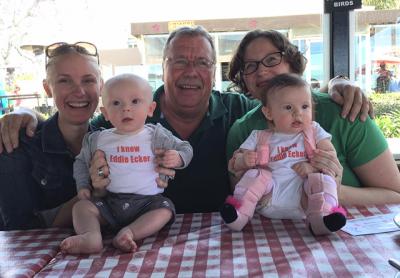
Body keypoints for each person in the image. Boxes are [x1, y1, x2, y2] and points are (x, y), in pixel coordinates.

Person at [0, 26, 374, 215]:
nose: (190, 72)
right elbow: (86, 132)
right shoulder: (127, 114)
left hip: (224, 238)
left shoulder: (238, 114)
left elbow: (284, 99)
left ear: (214, 72)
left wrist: (338, 82)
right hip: (143, 240)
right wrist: (25, 112)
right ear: (162, 68)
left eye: (202, 62)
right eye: (180, 60)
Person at [0, 43, 171, 231]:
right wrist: (94, 195)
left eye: (88, 80)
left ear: (100, 87)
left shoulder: (117, 132)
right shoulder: (17, 144)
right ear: (47, 88)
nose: (79, 91)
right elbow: (18, 228)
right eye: (65, 81)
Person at [226, 30, 400, 206]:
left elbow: (395, 194)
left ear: (292, 65)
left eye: (271, 60)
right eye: (250, 66)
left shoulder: (344, 112)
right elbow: (242, 203)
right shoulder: (243, 131)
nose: (261, 71)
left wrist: (333, 192)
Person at [60, 74, 193, 254]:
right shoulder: (98, 139)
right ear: (105, 112)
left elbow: (186, 148)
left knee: (165, 210)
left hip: (148, 203)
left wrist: (178, 157)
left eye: (135, 101)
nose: (126, 109)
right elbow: (81, 162)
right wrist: (82, 185)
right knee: (81, 207)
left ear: (150, 108)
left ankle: (129, 233)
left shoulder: (157, 135)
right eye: (116, 103)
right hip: (108, 202)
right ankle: (91, 236)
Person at [220, 74, 346, 235]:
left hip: (305, 201)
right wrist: (243, 160)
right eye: (288, 108)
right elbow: (234, 163)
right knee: (255, 175)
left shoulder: (314, 131)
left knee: (322, 180)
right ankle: (239, 215)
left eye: (305, 107)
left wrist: (312, 168)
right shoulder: (259, 136)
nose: (298, 114)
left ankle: (323, 219)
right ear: (269, 113)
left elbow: (328, 156)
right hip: (268, 199)